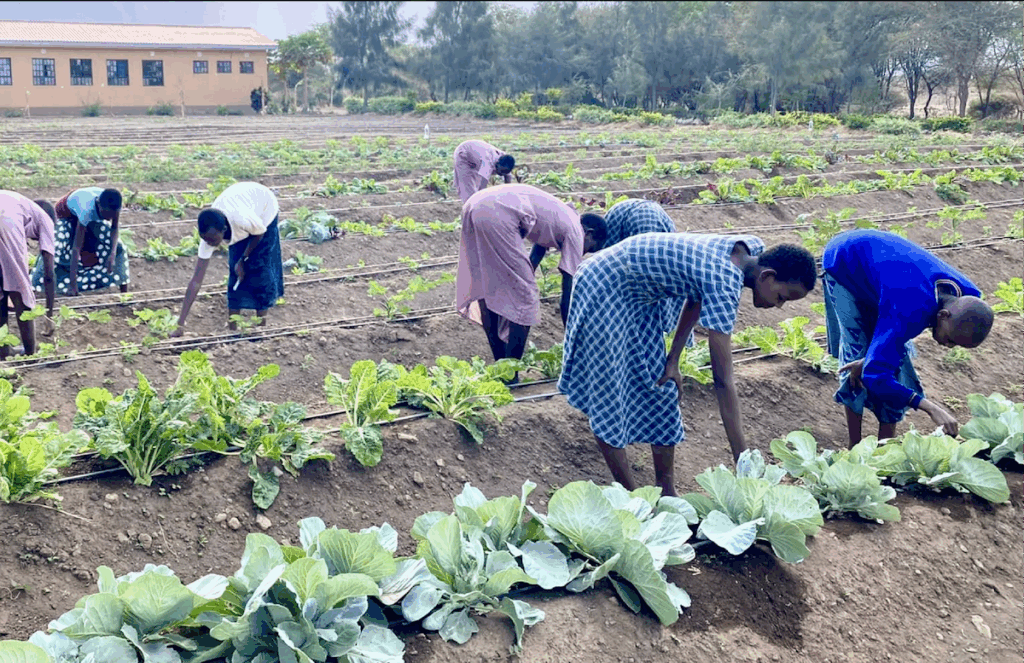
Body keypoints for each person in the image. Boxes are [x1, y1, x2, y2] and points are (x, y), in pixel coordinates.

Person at [559, 233, 816, 495]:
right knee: (609, 391)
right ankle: (631, 497)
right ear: (766, 276)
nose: (779, 306)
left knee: (661, 385)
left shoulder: (753, 250)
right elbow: (723, 381)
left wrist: (673, 360)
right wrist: (743, 463)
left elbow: (697, 296)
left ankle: (667, 492)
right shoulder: (725, 280)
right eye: (781, 297)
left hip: (639, 297)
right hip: (603, 284)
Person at [822, 229, 993, 447]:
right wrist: (930, 408)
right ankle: (853, 446)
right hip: (845, 261)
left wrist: (875, 360)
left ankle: (884, 449)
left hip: (886, 271)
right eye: (951, 339)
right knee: (856, 359)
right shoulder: (910, 309)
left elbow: (883, 358)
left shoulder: (969, 298)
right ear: (943, 315)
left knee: (892, 363)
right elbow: (875, 376)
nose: (948, 346)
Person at [456, 183, 606, 365]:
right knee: (526, 298)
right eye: (590, 248)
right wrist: (572, 339)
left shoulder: (563, 217)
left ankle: (501, 365)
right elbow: (568, 295)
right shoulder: (576, 231)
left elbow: (533, 259)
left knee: (489, 287)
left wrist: (519, 283)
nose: (583, 253)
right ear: (589, 234)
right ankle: (511, 370)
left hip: (476, 203)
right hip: (497, 212)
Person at [173, 181, 284, 335]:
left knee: (259, 268)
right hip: (243, 207)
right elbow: (196, 280)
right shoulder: (209, 235)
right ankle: (233, 330)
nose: (209, 244)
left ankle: (260, 327)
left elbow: (259, 232)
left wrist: (244, 258)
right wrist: (180, 324)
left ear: (224, 230)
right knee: (235, 272)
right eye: (206, 240)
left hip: (264, 209)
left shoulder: (241, 219)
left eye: (212, 240)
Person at [30, 187, 127, 296]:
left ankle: (124, 293)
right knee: (57, 247)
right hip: (65, 212)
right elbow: (76, 248)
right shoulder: (86, 211)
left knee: (118, 247)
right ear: (99, 205)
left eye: (112, 216)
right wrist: (73, 284)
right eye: (107, 215)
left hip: (85, 209)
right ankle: (34, 284)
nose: (109, 219)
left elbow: (114, 228)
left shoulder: (114, 206)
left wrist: (112, 254)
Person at [0, 193, 57, 358]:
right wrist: (49, 314)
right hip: (5, 219)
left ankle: (3, 350)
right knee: (20, 288)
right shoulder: (46, 218)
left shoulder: (21, 205)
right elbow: (49, 273)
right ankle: (30, 353)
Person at [453, 139, 516, 203]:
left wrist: (508, 196)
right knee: (468, 190)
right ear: (497, 163)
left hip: (476, 154)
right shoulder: (488, 162)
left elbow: (508, 179)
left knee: (475, 186)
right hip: (464, 154)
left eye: (504, 173)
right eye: (500, 172)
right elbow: (482, 188)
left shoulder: (506, 160)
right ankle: (469, 208)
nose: (501, 174)